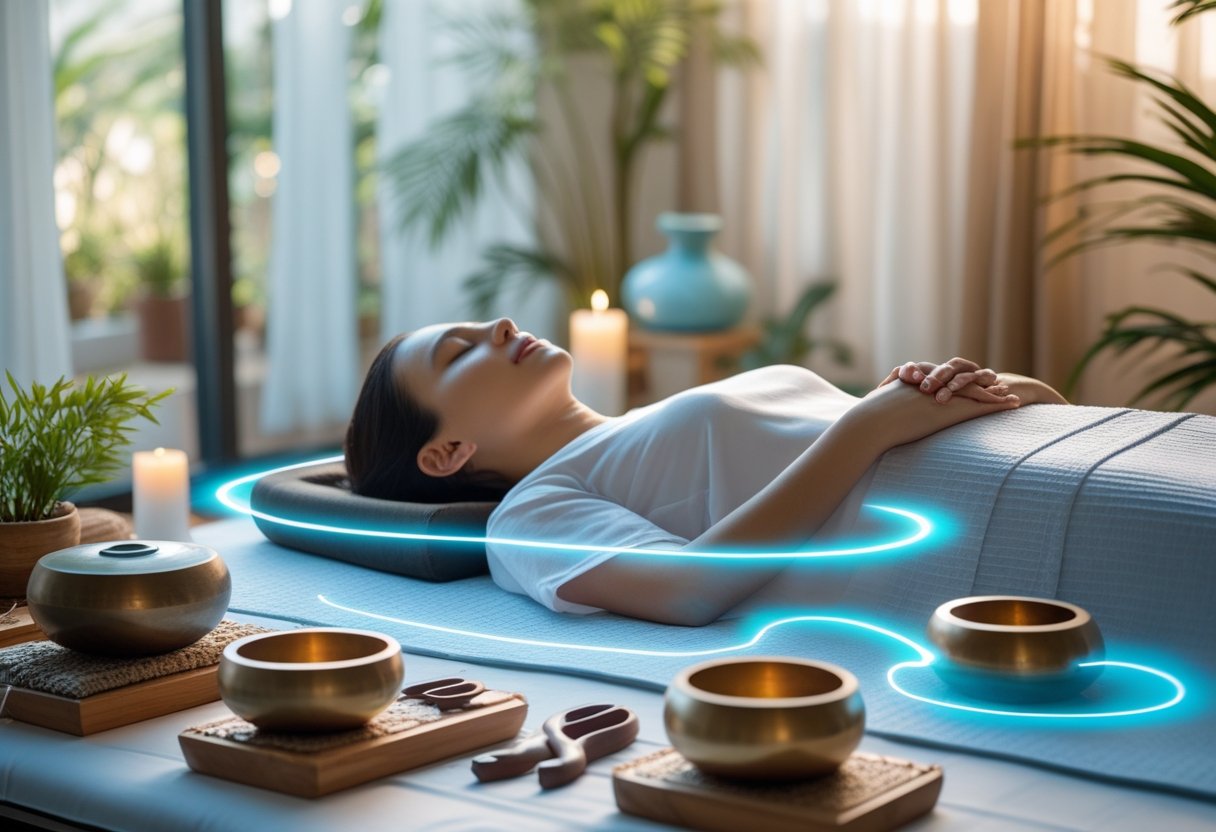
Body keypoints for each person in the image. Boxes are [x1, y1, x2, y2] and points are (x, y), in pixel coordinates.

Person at [345, 318, 1067, 626]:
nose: (498, 326)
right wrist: (871, 424)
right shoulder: (528, 517)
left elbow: (1042, 404)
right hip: (1003, 549)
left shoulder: (644, 424)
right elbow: (690, 590)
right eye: (459, 352)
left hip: (1064, 452)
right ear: (445, 455)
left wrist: (951, 390)